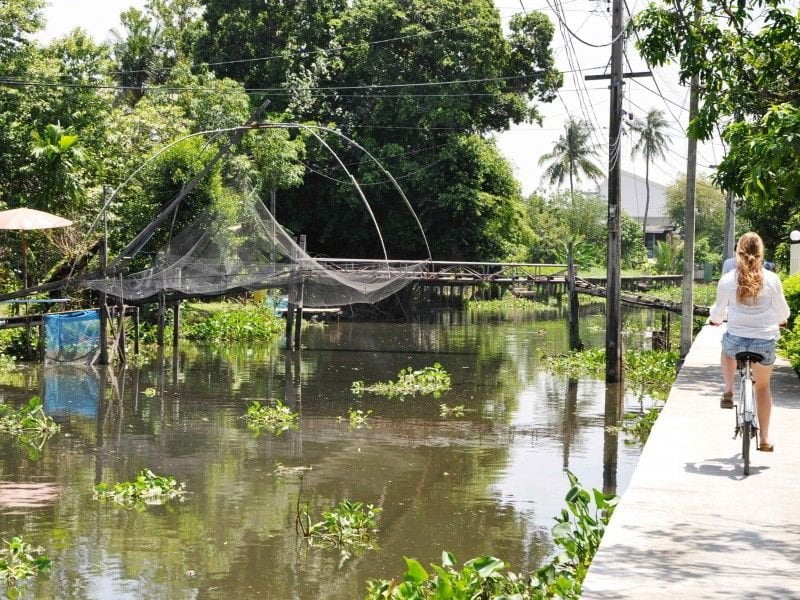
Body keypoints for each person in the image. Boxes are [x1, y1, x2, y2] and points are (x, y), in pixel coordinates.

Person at [709, 232, 790, 452]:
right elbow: (783, 312)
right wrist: (781, 320)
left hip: (736, 341)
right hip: (764, 343)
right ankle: (764, 439)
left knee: (726, 348)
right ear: (761, 253)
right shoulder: (772, 280)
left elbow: (717, 313)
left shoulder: (727, 280)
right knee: (763, 388)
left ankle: (728, 390)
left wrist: (714, 320)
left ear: (738, 253)